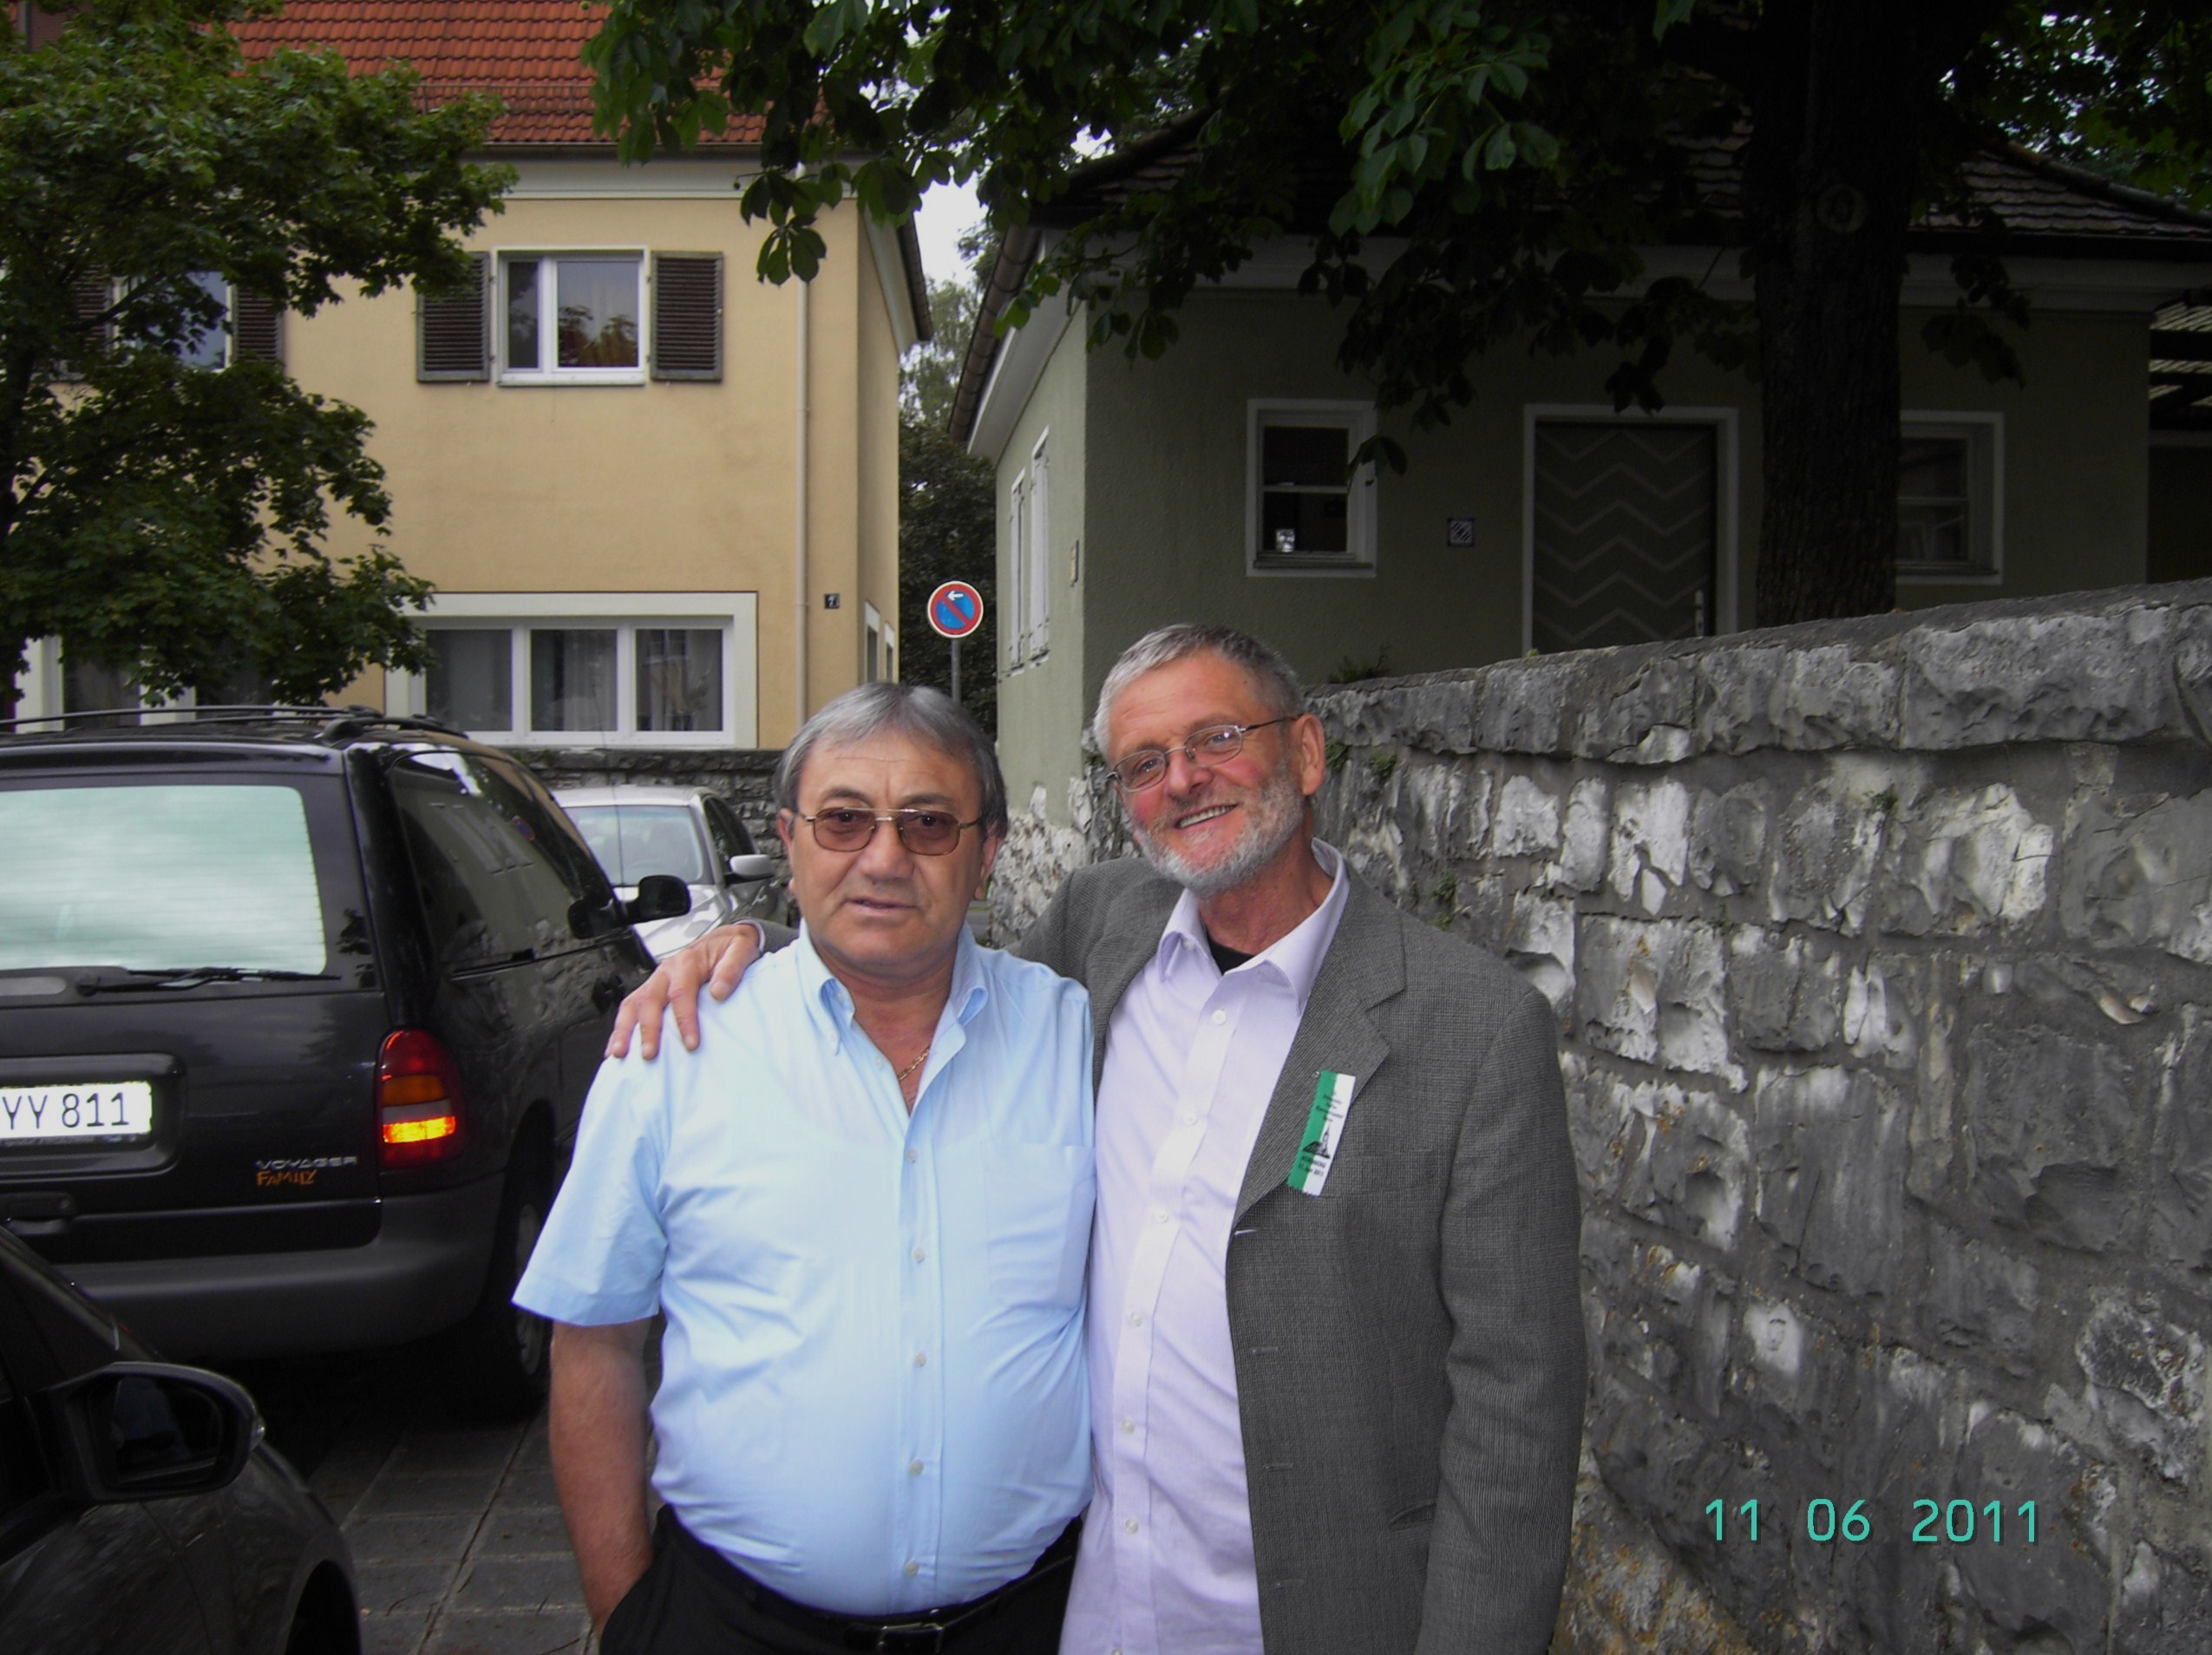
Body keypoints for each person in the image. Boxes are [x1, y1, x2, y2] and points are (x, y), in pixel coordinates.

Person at [613, 624, 1586, 1655]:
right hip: (1091, 1608)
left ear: (1305, 753)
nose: (1183, 780)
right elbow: (918, 964)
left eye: (1217, 738)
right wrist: (753, 948)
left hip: (1313, 1614)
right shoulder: (1103, 926)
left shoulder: (1473, 1028)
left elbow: (1518, 1400)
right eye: (1144, 763)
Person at [517, 683, 1095, 1654]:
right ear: (788, 839)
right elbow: (595, 1342)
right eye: (843, 820)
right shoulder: (674, 1050)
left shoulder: (1076, 1036)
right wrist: (627, 1620)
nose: (884, 858)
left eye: (928, 823)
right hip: (732, 1627)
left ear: (988, 851)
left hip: (1031, 1621)